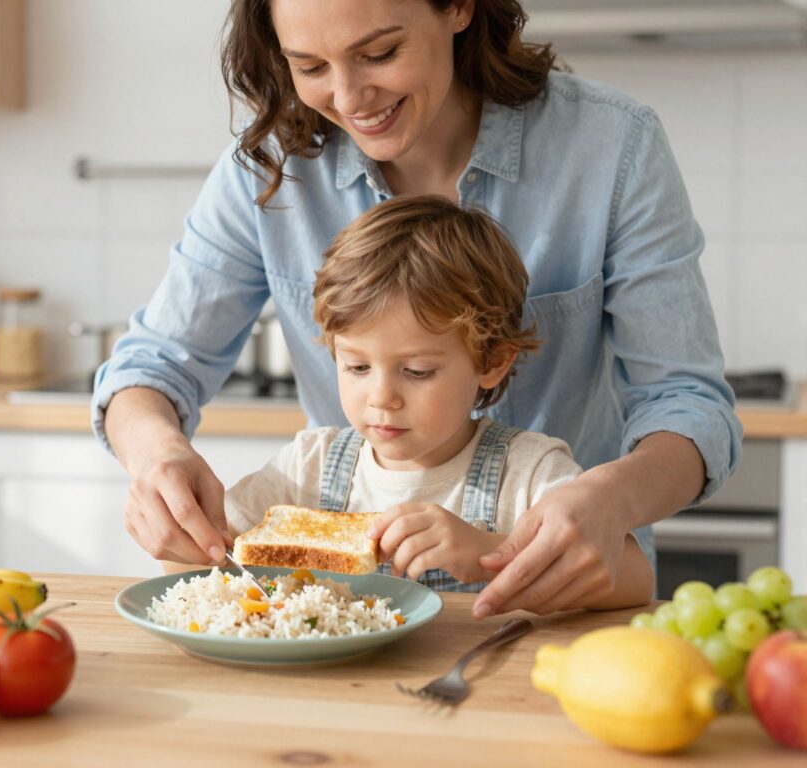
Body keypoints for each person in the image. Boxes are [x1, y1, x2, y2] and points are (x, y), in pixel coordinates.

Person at [93, 0, 741, 618]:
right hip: (356, 616)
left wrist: (609, 498)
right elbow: (152, 368)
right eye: (311, 67)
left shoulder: (610, 145)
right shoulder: (268, 166)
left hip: (565, 596)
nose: (347, 99)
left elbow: (686, 402)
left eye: (379, 52)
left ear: (458, 7)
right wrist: (159, 459)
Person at [224, 195, 654, 608]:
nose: (382, 398)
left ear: (492, 362)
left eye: (416, 372)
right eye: (357, 367)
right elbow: (203, 556)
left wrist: (490, 552)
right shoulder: (307, 467)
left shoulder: (527, 471)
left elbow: (635, 578)